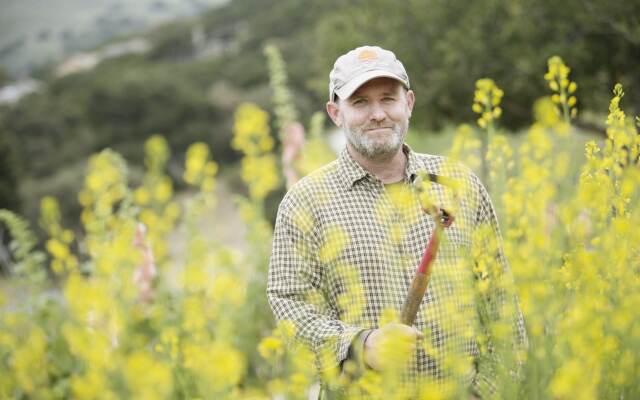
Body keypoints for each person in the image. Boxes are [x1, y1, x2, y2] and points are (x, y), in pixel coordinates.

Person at [267, 45, 527, 399]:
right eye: (359, 103)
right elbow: (290, 306)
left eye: (388, 99)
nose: (378, 114)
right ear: (335, 113)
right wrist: (361, 345)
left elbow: (501, 302)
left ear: (409, 104)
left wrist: (488, 391)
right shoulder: (306, 202)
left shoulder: (458, 182)